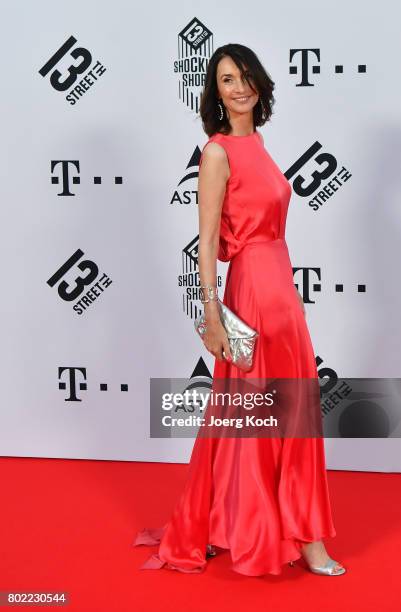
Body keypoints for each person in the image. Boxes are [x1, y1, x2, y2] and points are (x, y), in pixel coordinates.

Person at [133, 43, 346, 577]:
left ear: (259, 84)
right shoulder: (217, 153)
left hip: (283, 296)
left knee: (294, 415)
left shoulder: (262, 146)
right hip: (249, 291)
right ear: (215, 91)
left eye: (246, 75)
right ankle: (241, 526)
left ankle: (306, 536)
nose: (239, 86)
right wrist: (211, 315)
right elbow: (206, 242)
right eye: (227, 78)